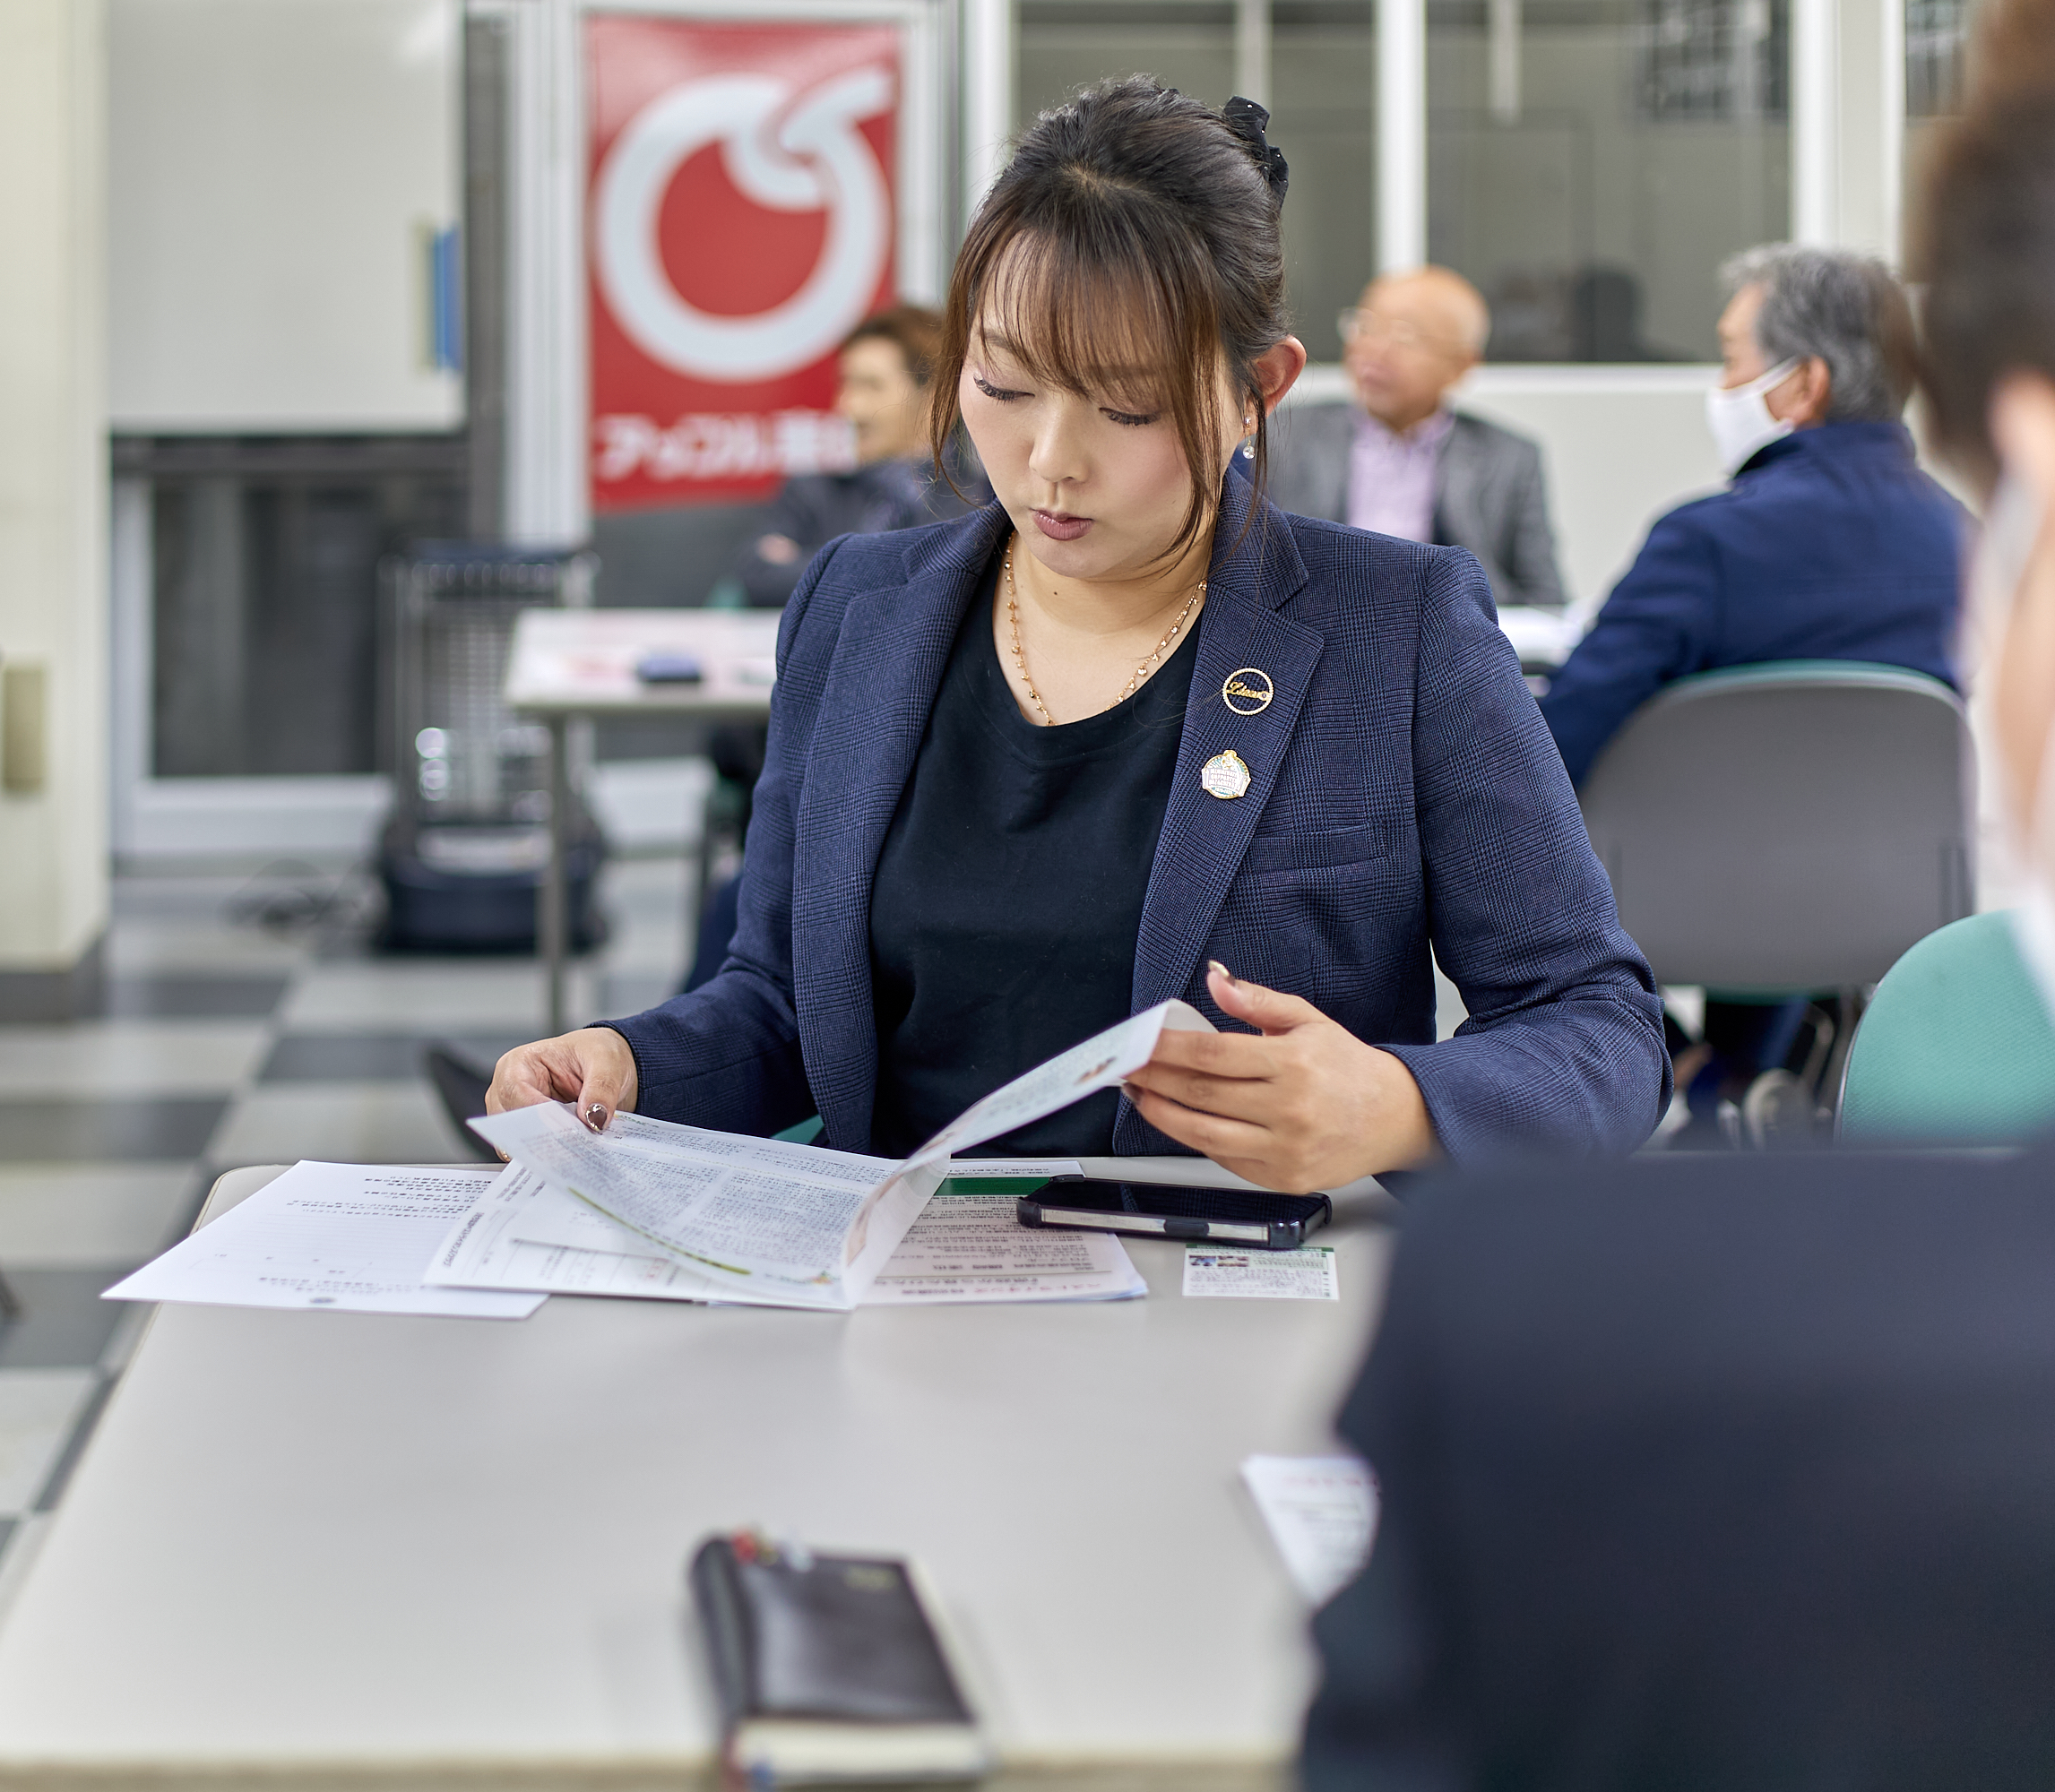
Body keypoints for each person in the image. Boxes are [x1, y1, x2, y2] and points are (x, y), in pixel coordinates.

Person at [1301, 20, 2055, 1768]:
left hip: (1690, 937)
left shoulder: (1568, 1360)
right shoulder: (1938, 528)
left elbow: (1550, 744)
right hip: (1898, 922)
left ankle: (1726, 1062)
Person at [483, 82, 1667, 1192]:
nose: (1051, 461)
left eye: (1127, 406)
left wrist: (1396, 1104)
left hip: (1229, 1319)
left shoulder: (1393, 631)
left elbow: (1601, 1031)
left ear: (1262, 386)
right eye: (1003, 386)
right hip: (902, 1309)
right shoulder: (858, 606)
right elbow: (786, 1009)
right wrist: (632, 1064)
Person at [1538, 245, 1964, 788]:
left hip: (1703, 869)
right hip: (1909, 871)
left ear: (1805, 385)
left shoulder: (1706, 544)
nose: (1722, 387)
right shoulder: (1966, 540)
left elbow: (1552, 751)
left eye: (1733, 359)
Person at [1261, 266, 1568, 610]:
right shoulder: (1280, 435)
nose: (1374, 350)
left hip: (1450, 642)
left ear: (1462, 365)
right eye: (1365, 327)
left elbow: (1546, 598)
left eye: (1405, 336)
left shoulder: (1509, 458)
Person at [730, 306, 990, 608]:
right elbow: (760, 577)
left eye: (871, 386)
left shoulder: (982, 500)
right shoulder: (812, 493)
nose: (848, 407)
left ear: (936, 398)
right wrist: (913, 573)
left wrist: (823, 564)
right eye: (846, 385)